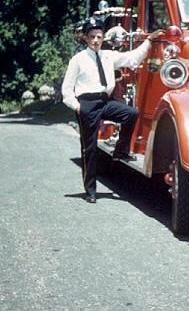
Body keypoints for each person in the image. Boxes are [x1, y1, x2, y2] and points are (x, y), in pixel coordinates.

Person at [62, 17, 162, 203]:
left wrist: (149, 41)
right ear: (86, 38)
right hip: (87, 105)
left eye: (99, 36)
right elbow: (66, 90)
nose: (95, 40)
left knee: (131, 113)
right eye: (92, 37)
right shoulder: (78, 60)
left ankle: (121, 149)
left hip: (105, 101)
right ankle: (90, 190)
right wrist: (78, 107)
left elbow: (133, 57)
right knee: (89, 149)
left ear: (103, 38)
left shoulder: (109, 56)